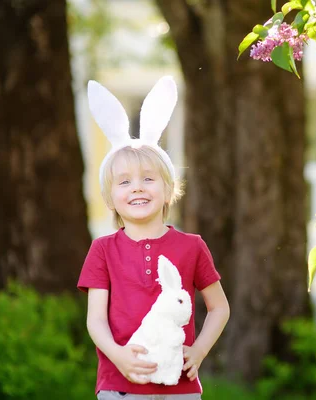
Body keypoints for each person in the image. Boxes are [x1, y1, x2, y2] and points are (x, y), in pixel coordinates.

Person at [77, 76, 230, 400]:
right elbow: (95, 320)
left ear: (168, 190)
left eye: (148, 179)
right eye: (124, 182)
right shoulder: (102, 250)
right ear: (110, 197)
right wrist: (118, 356)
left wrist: (199, 350)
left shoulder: (192, 246)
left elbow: (219, 307)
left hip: (179, 387)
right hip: (119, 384)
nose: (137, 187)